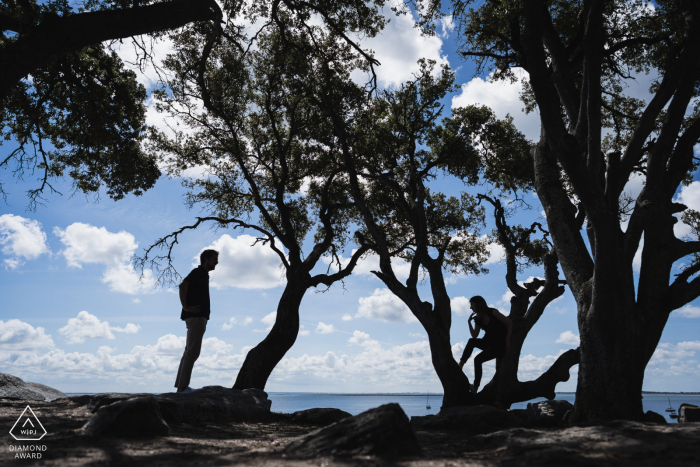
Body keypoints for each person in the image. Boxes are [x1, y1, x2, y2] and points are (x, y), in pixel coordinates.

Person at [174, 249, 219, 393]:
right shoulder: (198, 272)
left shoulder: (203, 275)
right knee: (193, 352)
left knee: (189, 351)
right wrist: (186, 307)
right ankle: (182, 388)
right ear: (206, 259)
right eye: (214, 259)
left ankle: (181, 387)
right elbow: (182, 286)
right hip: (196, 317)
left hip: (199, 317)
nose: (216, 262)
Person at [458, 295, 512, 394]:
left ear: (478, 304)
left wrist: (508, 340)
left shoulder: (493, 312)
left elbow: (509, 323)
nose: (471, 308)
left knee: (477, 359)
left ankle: (475, 386)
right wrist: (469, 323)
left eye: (472, 305)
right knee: (471, 341)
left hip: (498, 345)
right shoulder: (478, 318)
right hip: (487, 342)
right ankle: (461, 364)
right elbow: (474, 335)